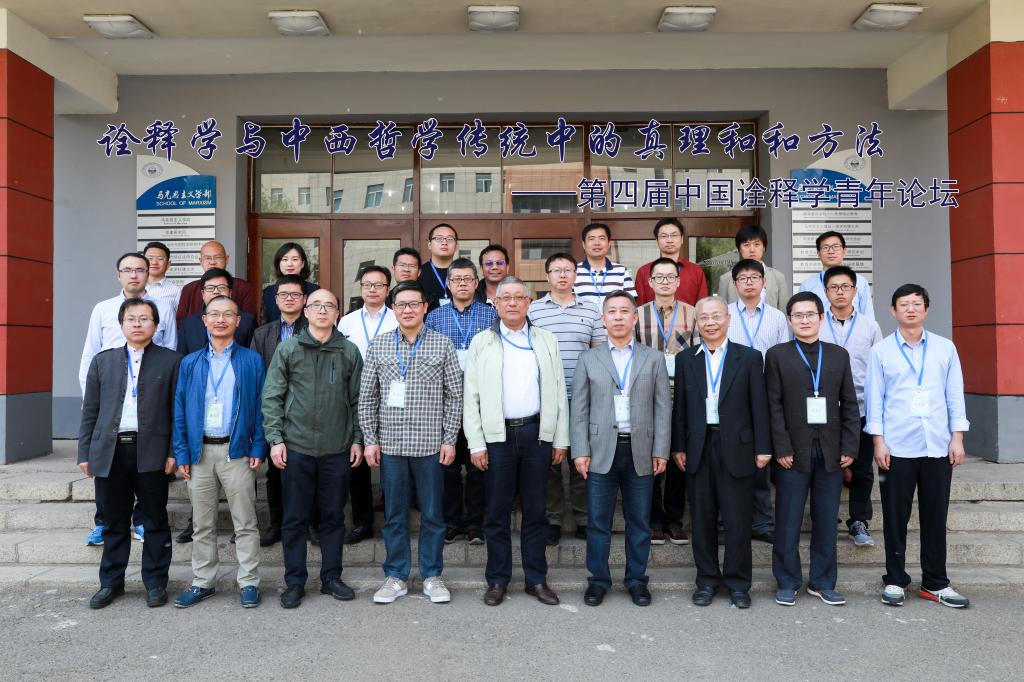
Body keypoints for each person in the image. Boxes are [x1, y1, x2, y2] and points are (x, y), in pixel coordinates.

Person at [463, 276, 570, 607]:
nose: (512, 303)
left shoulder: (546, 340)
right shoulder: (482, 341)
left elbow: (558, 391)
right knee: (496, 511)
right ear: (495, 303)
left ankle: (536, 579)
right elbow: (471, 396)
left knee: (536, 511)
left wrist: (560, 438)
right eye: (505, 297)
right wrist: (476, 443)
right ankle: (497, 579)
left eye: (518, 297)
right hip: (497, 436)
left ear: (528, 302)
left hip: (536, 435)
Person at [865, 284, 971, 608]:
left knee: (935, 516)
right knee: (895, 517)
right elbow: (874, 399)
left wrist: (957, 437)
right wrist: (878, 442)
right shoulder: (881, 351)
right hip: (896, 447)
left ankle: (935, 583)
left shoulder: (945, 348)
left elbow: (954, 395)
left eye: (916, 304)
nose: (910, 309)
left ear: (926, 308)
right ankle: (895, 580)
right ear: (893, 310)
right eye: (904, 304)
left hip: (937, 445)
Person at [359, 282, 463, 605]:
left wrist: (450, 439)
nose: (407, 310)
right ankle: (396, 576)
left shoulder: (442, 344)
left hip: (430, 445)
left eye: (413, 304)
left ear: (425, 307)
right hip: (391, 445)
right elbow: (367, 397)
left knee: (432, 514)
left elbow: (454, 396)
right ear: (393, 308)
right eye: (401, 304)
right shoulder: (379, 345)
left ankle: (432, 575)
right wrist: (370, 439)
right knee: (394, 515)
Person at [262, 289, 364, 608]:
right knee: (294, 518)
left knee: (333, 517)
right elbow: (272, 396)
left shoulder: (348, 351)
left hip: (337, 448)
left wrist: (358, 439)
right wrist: (275, 439)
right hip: (296, 447)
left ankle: (331, 577)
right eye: (316, 305)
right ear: (306, 312)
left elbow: (358, 400)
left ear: (337, 313)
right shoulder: (288, 349)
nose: (322, 310)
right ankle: (294, 581)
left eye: (329, 306)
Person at [78, 298, 180, 609]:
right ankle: (111, 583)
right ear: (121, 324)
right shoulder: (103, 361)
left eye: (144, 318)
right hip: (110, 451)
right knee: (114, 521)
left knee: (155, 520)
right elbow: (90, 410)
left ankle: (155, 583)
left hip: (152, 451)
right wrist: (85, 452)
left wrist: (173, 452)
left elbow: (177, 412)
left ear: (156, 325)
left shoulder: (172, 361)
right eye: (131, 319)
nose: (137, 324)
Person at [571, 291, 671, 607]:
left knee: (639, 522)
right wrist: (580, 450)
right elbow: (580, 409)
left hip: (640, 450)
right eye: (611, 311)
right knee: (598, 522)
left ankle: (637, 581)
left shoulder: (653, 358)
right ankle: (598, 581)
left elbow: (663, 408)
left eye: (624, 311)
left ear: (634, 318)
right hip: (600, 451)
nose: (617, 317)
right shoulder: (589, 359)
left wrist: (661, 449)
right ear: (603, 319)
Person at [672, 297, 771, 609]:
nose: (710, 323)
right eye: (704, 318)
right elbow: (680, 408)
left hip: (738, 447)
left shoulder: (749, 357)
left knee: (737, 520)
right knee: (702, 520)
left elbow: (759, 405)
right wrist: (678, 445)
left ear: (728, 319)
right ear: (696, 323)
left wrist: (763, 447)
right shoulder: (686, 359)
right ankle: (707, 581)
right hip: (699, 447)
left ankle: (739, 584)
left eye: (716, 316)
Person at [765, 292, 860, 607]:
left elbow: (850, 403)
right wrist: (780, 446)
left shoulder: (838, 355)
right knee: (788, 520)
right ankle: (787, 581)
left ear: (821, 318)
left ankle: (822, 582)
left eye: (810, 315)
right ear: (789, 320)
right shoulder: (777, 355)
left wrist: (850, 446)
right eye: (798, 315)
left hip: (831, 452)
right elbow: (773, 405)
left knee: (826, 520)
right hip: (792, 453)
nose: (804, 320)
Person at [172, 295, 266, 609]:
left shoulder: (251, 360)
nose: (221, 320)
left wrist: (257, 445)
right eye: (214, 314)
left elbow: (261, 408)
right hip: (200, 453)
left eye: (228, 314)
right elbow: (179, 410)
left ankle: (249, 581)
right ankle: (203, 582)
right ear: (204, 320)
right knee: (202, 524)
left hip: (236, 451)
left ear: (238, 321)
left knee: (245, 522)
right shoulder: (190, 362)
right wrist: (182, 453)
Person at [79, 252, 177, 546]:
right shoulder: (103, 308)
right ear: (118, 274)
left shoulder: (162, 308)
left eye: (140, 269)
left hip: (151, 393)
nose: (134, 275)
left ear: (150, 273)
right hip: (109, 394)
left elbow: (171, 346)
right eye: (127, 270)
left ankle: (142, 521)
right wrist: (91, 398)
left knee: (148, 478)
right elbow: (90, 353)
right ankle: (103, 523)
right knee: (108, 477)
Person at [527, 253, 606, 546]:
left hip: (583, 395)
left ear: (576, 275)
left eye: (568, 270)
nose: (562, 275)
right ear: (547, 275)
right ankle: (553, 519)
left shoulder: (592, 309)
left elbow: (600, 352)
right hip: (544, 397)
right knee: (549, 460)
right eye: (556, 270)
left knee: (581, 457)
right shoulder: (533, 310)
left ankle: (584, 518)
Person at [425, 258, 496, 545]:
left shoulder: (492, 316)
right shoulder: (435, 317)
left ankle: (476, 523)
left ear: (476, 283)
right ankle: (452, 521)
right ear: (448, 284)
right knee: (448, 466)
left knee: (480, 465)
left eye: (468, 279)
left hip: (481, 402)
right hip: (445, 402)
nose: (462, 284)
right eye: (456, 279)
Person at [725, 258, 789, 544]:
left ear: (764, 282)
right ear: (734, 284)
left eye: (754, 277)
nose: (749, 282)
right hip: (731, 395)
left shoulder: (777, 317)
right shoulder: (725, 314)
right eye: (743, 278)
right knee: (730, 458)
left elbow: (782, 358)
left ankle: (762, 521)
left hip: (765, 392)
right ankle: (729, 521)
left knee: (762, 458)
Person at [634, 257, 697, 546]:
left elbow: (698, 355)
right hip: (647, 396)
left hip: (682, 395)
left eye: (670, 277)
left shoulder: (693, 314)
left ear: (678, 281)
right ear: (650, 282)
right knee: (649, 458)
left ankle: (674, 519)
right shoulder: (637, 315)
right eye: (658, 277)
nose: (664, 282)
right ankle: (654, 519)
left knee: (677, 458)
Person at [823, 265, 884, 547]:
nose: (840, 292)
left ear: (855, 291)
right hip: (824, 408)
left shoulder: (870, 327)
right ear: (826, 292)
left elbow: (878, 368)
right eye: (834, 287)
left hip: (860, 407)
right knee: (826, 466)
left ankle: (859, 520)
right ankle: (826, 517)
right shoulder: (817, 322)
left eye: (845, 287)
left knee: (861, 468)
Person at [337, 265, 398, 545]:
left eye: (379, 285)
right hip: (356, 397)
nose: (372, 290)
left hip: (393, 396)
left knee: (393, 459)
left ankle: (395, 520)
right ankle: (363, 522)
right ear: (361, 288)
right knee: (358, 458)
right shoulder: (346, 322)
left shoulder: (398, 318)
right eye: (367, 285)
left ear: (388, 289)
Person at [250, 275, 308, 547]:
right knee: (276, 472)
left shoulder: (315, 328)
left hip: (306, 410)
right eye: (283, 294)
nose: (289, 299)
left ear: (304, 299)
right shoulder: (262, 333)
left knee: (307, 471)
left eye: (295, 294)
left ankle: (309, 524)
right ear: (275, 300)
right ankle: (278, 524)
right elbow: (257, 374)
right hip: (274, 409)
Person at [177, 268, 256, 355]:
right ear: (203, 294)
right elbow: (182, 358)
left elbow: (251, 357)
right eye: (210, 288)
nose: (216, 292)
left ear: (230, 293)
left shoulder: (247, 321)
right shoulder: (187, 324)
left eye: (221, 287)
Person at [799, 231, 874, 320]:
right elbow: (802, 317)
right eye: (825, 247)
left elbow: (868, 316)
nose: (831, 251)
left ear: (844, 251)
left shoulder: (860, 281)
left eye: (835, 247)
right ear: (818, 254)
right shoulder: (807, 285)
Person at [176, 240, 258, 320]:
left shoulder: (243, 287)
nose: (212, 262)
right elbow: (181, 323)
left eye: (217, 257)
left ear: (226, 259)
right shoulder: (189, 289)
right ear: (201, 261)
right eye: (207, 258)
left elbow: (249, 322)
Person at [634, 218, 707, 306]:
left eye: (674, 235)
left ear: (682, 239)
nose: (669, 240)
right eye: (664, 236)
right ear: (657, 240)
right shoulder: (644, 272)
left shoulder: (696, 271)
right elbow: (640, 308)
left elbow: (703, 307)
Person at [716, 225, 788, 310]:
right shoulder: (726, 279)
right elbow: (721, 311)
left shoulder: (778, 277)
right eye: (746, 245)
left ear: (764, 247)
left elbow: (783, 312)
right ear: (739, 249)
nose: (752, 250)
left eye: (757, 244)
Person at [573, 222, 636, 309]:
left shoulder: (621, 271)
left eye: (601, 238)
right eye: (591, 239)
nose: (597, 243)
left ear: (609, 244)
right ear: (584, 245)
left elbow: (631, 304)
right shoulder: (573, 271)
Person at [260, 241, 319, 323]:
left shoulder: (315, 291)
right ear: (278, 263)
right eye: (285, 259)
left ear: (302, 263)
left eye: (295, 259)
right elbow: (263, 324)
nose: (289, 264)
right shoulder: (268, 292)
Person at [417, 223, 459, 311]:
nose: (444, 242)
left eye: (450, 239)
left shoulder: (465, 273)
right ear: (429, 244)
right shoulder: (418, 273)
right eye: (439, 238)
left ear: (456, 246)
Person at [142, 241, 182, 312]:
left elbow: (180, 317)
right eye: (150, 258)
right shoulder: (134, 287)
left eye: (160, 259)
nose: (154, 262)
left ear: (168, 264)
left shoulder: (176, 292)